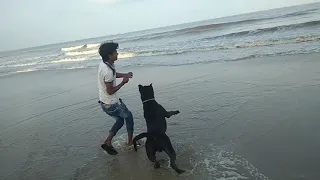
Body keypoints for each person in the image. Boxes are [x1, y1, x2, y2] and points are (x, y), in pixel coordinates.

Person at [97, 42, 134, 155]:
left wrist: (124, 75)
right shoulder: (107, 70)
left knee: (120, 120)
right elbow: (110, 91)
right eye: (115, 52)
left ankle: (108, 141)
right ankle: (130, 143)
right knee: (129, 117)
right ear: (109, 55)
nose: (117, 53)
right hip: (112, 104)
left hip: (104, 103)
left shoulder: (105, 64)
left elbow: (113, 74)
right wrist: (123, 82)